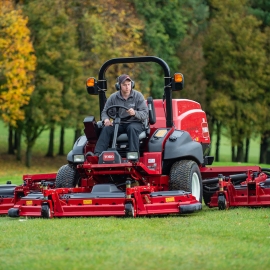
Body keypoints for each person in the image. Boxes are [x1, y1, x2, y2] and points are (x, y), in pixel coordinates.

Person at [94, 74, 149, 156]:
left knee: (131, 128)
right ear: (119, 86)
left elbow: (145, 113)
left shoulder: (138, 96)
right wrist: (106, 120)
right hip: (119, 123)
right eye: (124, 85)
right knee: (106, 129)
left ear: (132, 85)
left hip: (135, 122)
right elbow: (105, 111)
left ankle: (133, 155)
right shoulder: (113, 97)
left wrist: (135, 113)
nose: (127, 87)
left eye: (128, 84)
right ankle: (97, 154)